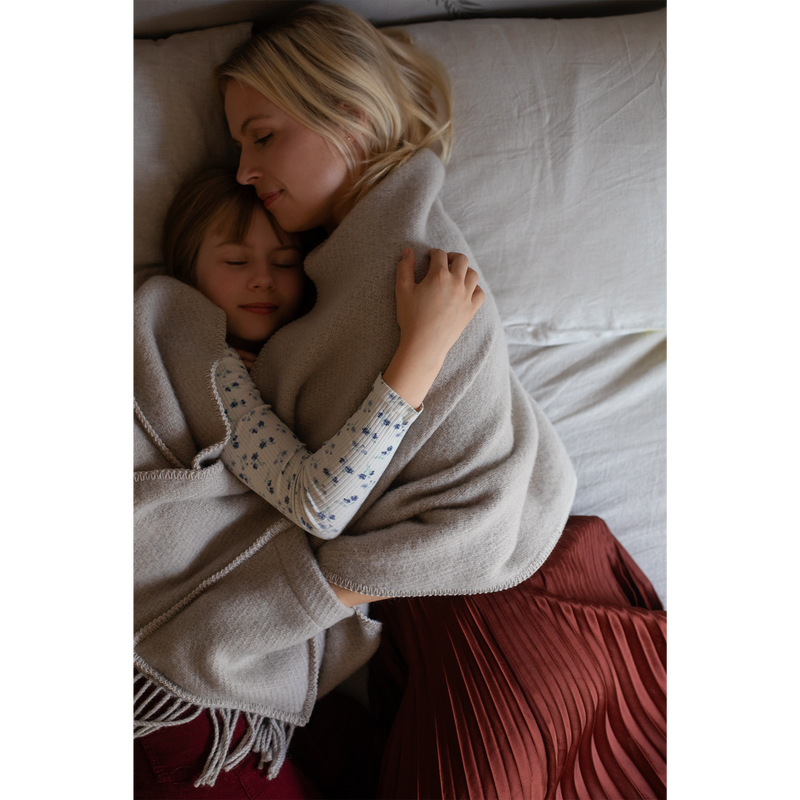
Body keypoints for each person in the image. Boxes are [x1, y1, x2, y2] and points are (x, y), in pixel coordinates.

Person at [131, 5, 669, 799]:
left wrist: (420, 351)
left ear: (348, 115)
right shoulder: (330, 276)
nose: (244, 169)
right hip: (442, 611)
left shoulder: (414, 263)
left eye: (263, 136)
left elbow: (354, 495)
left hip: (493, 586)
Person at [162, 167, 483, 539]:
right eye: (236, 261)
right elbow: (318, 509)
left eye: (284, 263)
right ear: (187, 269)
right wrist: (425, 344)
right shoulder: (205, 359)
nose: (263, 279)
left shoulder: (306, 340)